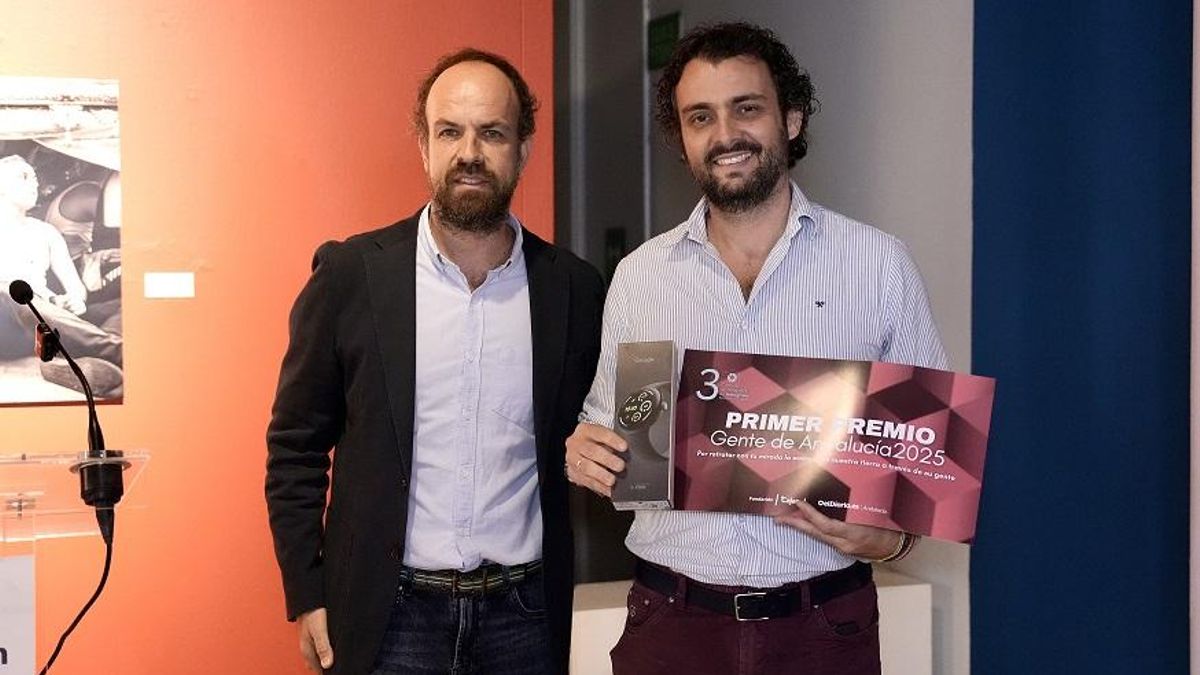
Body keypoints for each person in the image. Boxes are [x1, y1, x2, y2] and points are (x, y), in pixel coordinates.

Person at [565, 22, 948, 675]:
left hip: (824, 623)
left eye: (746, 108)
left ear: (791, 119)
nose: (724, 135)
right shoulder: (639, 277)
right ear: (682, 140)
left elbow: (928, 462)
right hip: (671, 622)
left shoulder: (878, 265)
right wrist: (585, 449)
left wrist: (890, 537)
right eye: (699, 117)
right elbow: (612, 429)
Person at [266, 48, 604, 675]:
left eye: (493, 133)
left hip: (525, 619)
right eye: (450, 131)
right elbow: (295, 448)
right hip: (389, 619)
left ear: (523, 150)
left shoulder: (575, 291)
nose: (470, 152)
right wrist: (307, 592)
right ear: (424, 146)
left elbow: (600, 437)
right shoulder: (351, 276)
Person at [0, 154, 123, 396]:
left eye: (34, 177)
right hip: (6, 325)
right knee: (10, 290)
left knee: (127, 302)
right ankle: (114, 350)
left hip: (44, 325)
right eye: (23, 177)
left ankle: (74, 364)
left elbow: (77, 289)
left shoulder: (47, 233)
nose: (33, 183)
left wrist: (73, 299)